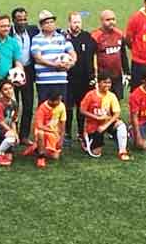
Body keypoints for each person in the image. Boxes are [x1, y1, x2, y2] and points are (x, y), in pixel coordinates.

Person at [80, 74, 130, 161]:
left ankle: (122, 151)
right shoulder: (90, 95)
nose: (107, 85)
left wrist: (105, 126)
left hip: (105, 123)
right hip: (93, 125)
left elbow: (116, 113)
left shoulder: (111, 96)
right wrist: (96, 117)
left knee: (121, 125)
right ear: (98, 83)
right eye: (104, 82)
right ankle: (86, 141)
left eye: (109, 83)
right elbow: (82, 110)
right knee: (96, 154)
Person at [31, 9, 76, 104]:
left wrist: (71, 63)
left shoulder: (62, 37)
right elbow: (38, 58)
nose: (50, 24)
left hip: (61, 80)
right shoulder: (36, 39)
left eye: (52, 22)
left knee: (60, 108)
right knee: (45, 109)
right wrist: (55, 65)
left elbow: (72, 53)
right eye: (47, 23)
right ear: (41, 25)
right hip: (44, 81)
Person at [64, 11, 96, 146]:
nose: (77, 25)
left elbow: (93, 56)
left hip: (84, 80)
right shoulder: (64, 38)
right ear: (69, 23)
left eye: (79, 22)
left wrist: (93, 76)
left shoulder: (87, 37)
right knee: (68, 107)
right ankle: (67, 133)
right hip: (69, 79)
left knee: (82, 107)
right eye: (74, 22)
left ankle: (81, 132)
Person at [10, 7, 39, 144]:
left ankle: (24, 136)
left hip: (27, 71)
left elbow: (49, 31)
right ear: (13, 21)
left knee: (28, 105)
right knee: (12, 105)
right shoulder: (8, 32)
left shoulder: (33, 30)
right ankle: (11, 134)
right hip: (12, 72)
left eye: (25, 19)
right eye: (19, 20)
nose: (23, 22)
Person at [90, 9, 130, 98]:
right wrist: (93, 76)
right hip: (102, 77)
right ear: (101, 21)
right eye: (108, 20)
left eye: (113, 19)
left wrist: (127, 72)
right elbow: (90, 58)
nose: (111, 22)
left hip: (117, 76)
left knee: (116, 101)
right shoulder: (95, 36)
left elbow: (123, 54)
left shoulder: (119, 34)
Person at [30, 91, 66, 169]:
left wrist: (61, 140)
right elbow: (39, 126)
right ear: (50, 100)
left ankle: (36, 148)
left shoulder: (62, 106)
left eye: (60, 100)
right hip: (43, 131)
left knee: (55, 157)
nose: (59, 102)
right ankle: (41, 156)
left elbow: (63, 125)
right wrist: (53, 131)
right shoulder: (42, 108)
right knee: (40, 133)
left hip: (54, 133)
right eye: (58, 100)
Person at [0, 14, 22, 82]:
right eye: (3, 26)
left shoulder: (13, 42)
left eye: (8, 26)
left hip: (7, 81)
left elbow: (18, 61)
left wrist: (20, 75)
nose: (6, 29)